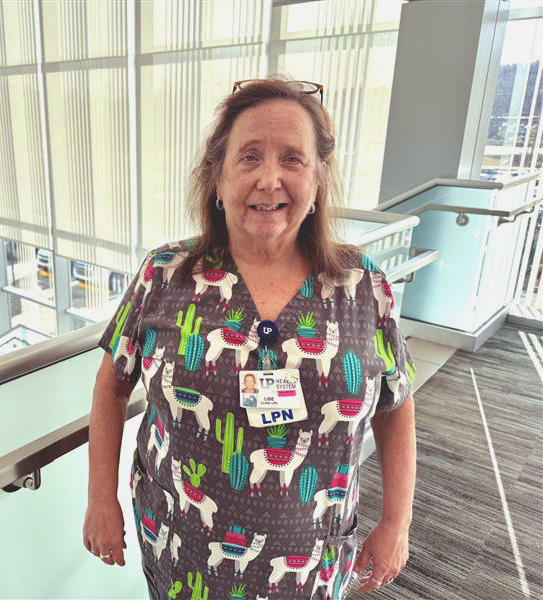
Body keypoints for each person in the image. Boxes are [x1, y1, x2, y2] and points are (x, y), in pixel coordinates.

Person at [83, 78, 416, 599]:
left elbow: (396, 403)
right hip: (182, 547)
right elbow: (111, 386)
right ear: (217, 178)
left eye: (292, 159)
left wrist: (397, 521)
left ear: (318, 179)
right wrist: (100, 498)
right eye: (249, 157)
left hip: (311, 559)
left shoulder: (364, 286)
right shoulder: (164, 274)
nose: (269, 179)